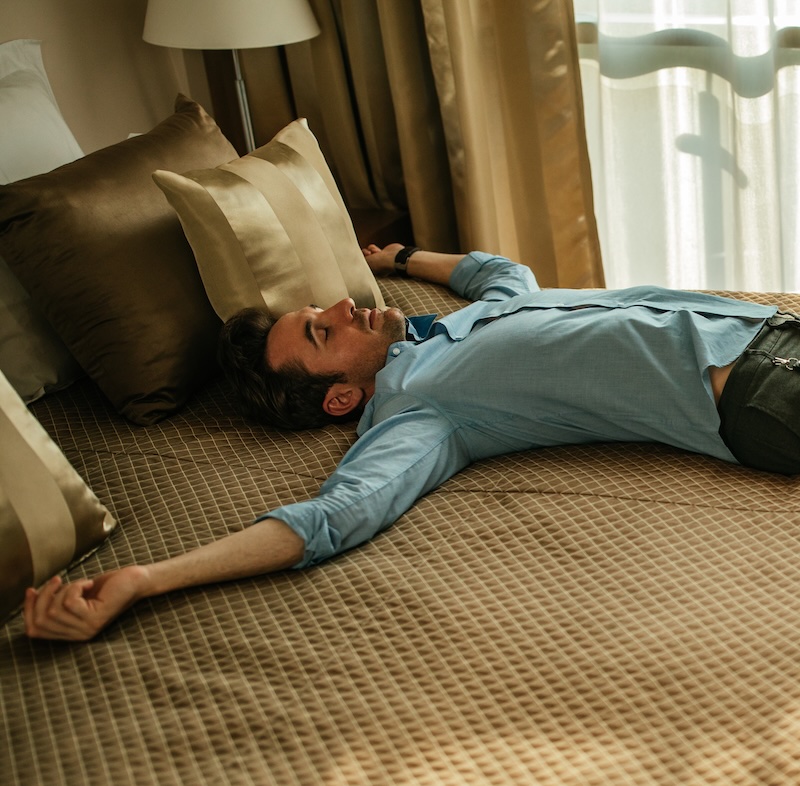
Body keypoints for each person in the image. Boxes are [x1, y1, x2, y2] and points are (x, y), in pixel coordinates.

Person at [24, 243, 800, 641]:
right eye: (322, 331)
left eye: (319, 307)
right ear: (338, 398)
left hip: (770, 328)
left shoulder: (448, 329)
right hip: (761, 394)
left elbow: (504, 271)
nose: (342, 304)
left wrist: (396, 259)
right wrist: (148, 578)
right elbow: (331, 517)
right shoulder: (420, 408)